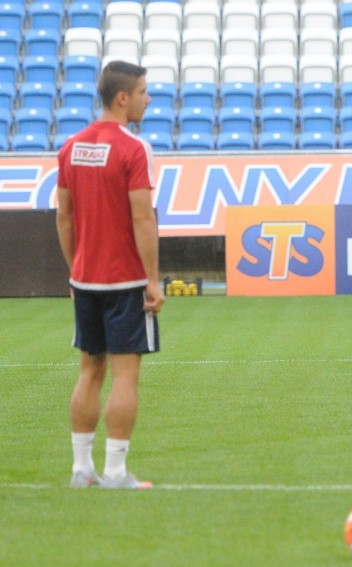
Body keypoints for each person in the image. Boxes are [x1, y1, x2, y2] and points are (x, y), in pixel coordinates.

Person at [56, 60, 165, 490]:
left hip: (85, 279)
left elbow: (64, 217)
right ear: (123, 97)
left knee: (89, 371)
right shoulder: (133, 149)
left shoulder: (70, 146)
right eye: (143, 91)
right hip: (125, 281)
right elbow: (143, 220)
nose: (148, 98)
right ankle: (117, 472)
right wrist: (153, 280)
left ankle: (81, 470)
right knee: (124, 376)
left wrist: (74, 269)